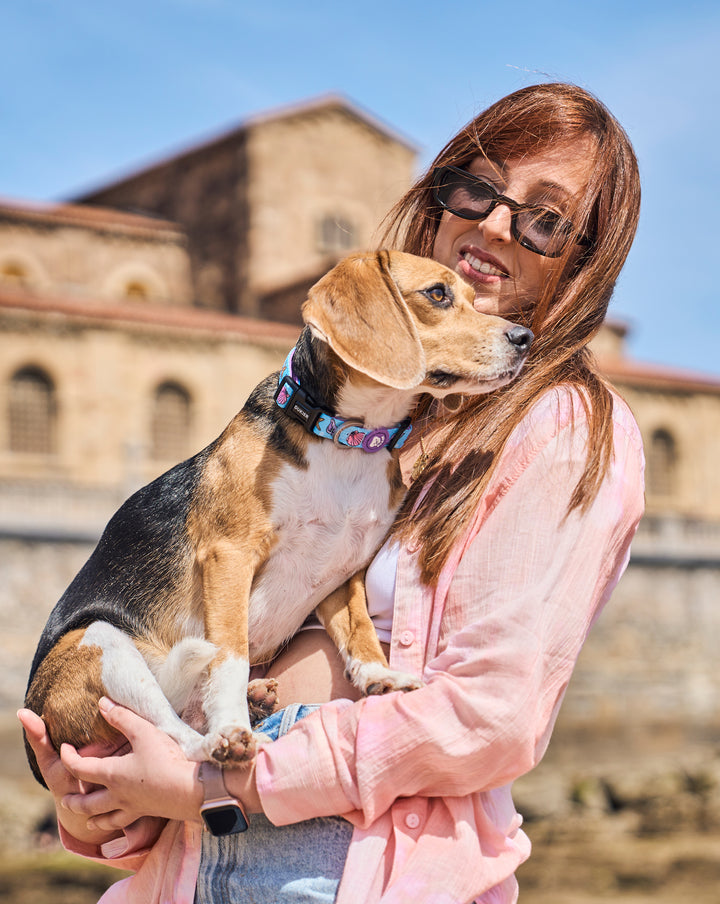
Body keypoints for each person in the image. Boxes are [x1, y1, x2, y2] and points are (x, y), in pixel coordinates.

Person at [19, 82, 645, 904]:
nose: (494, 224)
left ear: (585, 260)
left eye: (546, 219)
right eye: (476, 187)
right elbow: (189, 646)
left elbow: (491, 718)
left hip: (349, 875)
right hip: (191, 869)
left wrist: (223, 785)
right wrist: (101, 796)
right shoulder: (349, 410)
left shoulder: (562, 430)